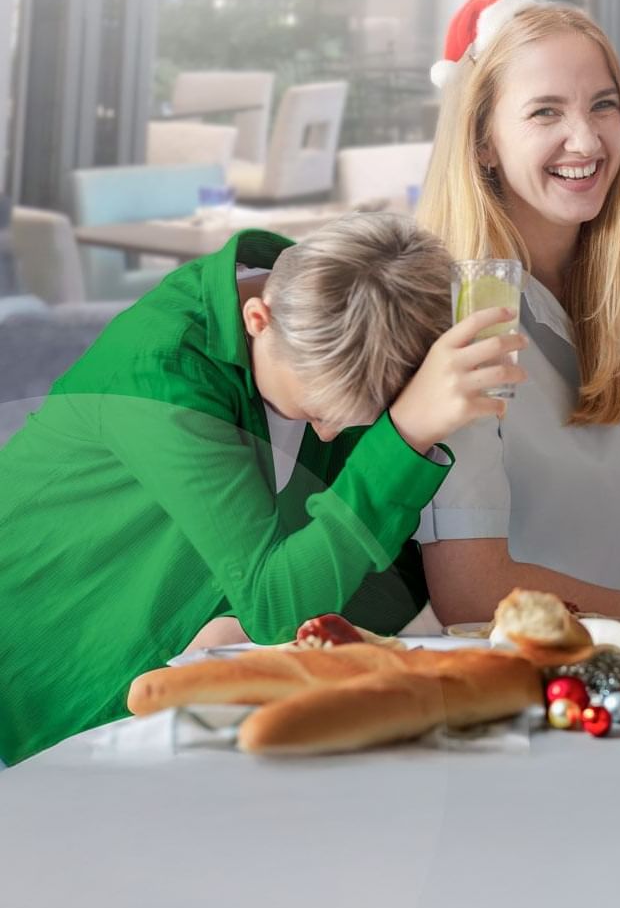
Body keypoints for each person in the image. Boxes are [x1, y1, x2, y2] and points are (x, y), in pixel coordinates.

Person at [0, 213, 522, 763]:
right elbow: (280, 606)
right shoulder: (161, 372)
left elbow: (388, 584)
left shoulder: (351, 326)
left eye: (366, 413)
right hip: (43, 674)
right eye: (319, 404)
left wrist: (249, 621)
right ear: (258, 318)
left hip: (163, 702)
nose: (334, 432)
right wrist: (405, 436)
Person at [415, 0, 620, 622]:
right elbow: (472, 588)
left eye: (604, 106)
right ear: (482, 141)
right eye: (545, 112)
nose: (586, 139)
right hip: (528, 668)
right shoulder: (446, 306)